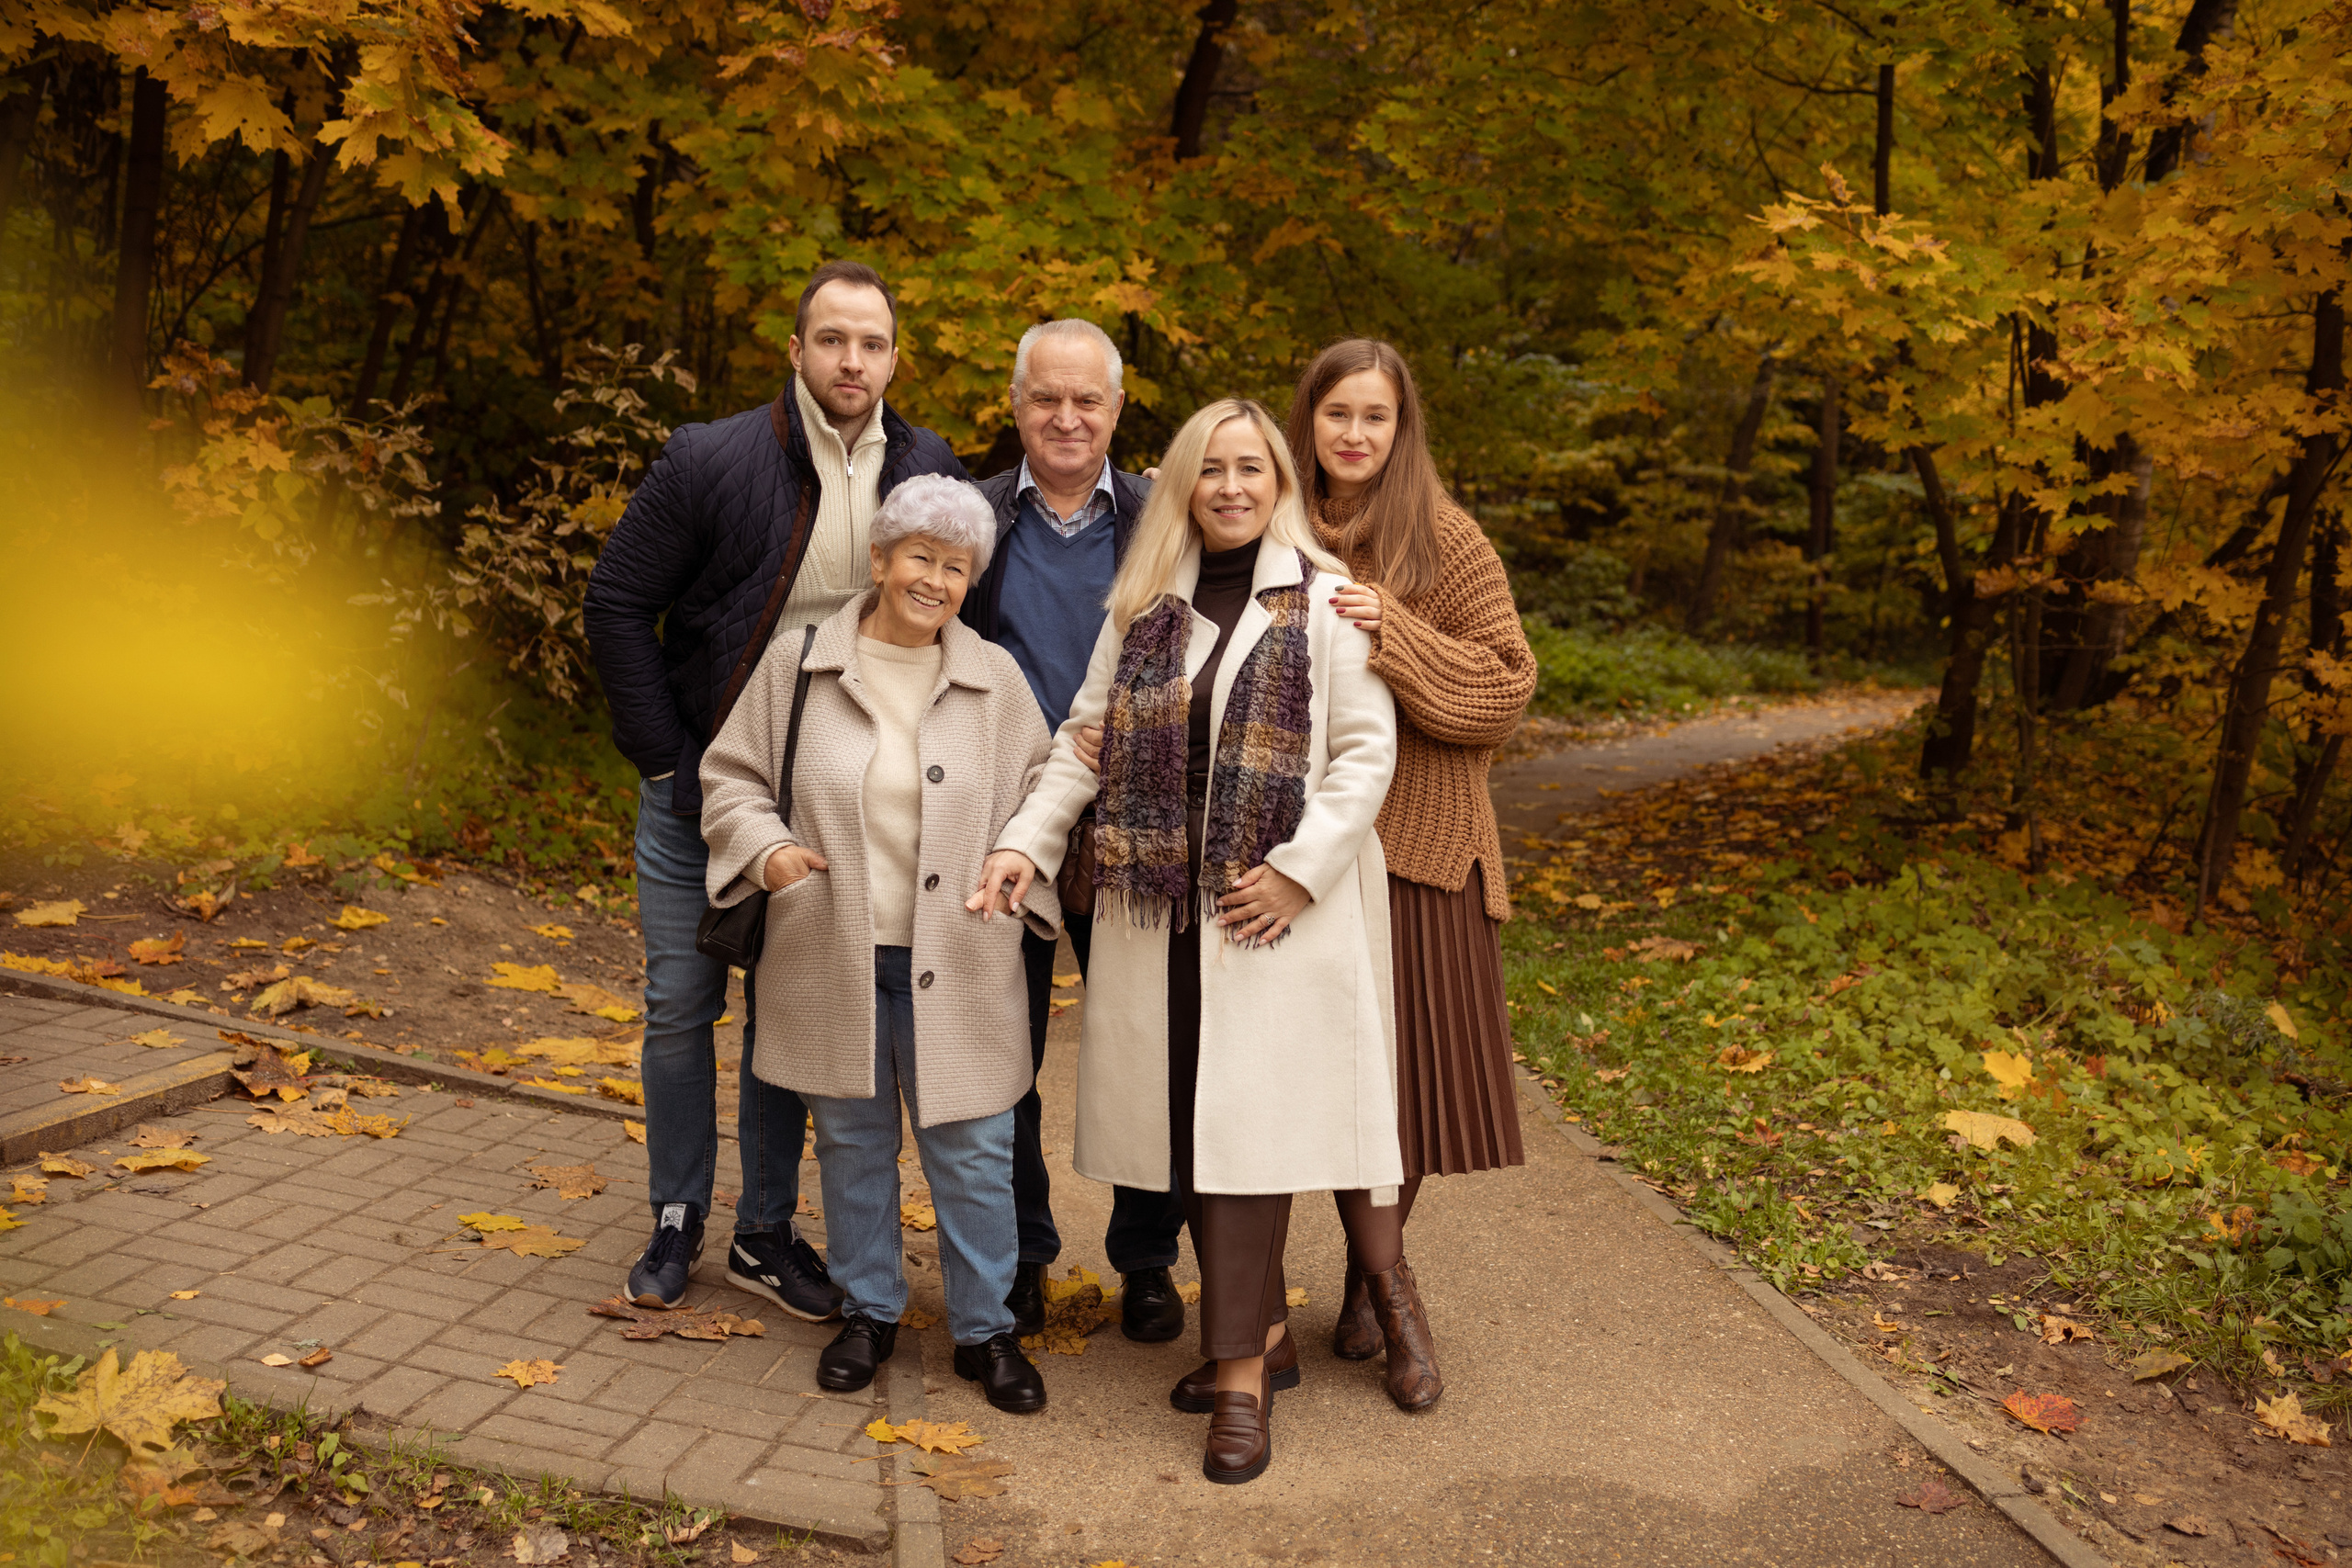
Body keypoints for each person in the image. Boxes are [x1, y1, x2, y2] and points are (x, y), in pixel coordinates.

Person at [978, 398, 1401, 1484]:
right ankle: (1258, 1338)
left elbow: (1362, 756)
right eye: (1209, 470)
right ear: (1180, 484)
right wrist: (1027, 842)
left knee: (1248, 1142)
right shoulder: (1144, 607)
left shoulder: (1324, 604)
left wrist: (1299, 872)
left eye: (1250, 470)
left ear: (1279, 484)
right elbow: (1083, 741)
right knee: (1189, 1137)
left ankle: (1241, 1387)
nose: (1229, 488)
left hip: (1267, 919)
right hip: (1163, 914)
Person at [583, 261, 967, 1316]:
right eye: (833, 339)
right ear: (795, 350)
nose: (853, 361)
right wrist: (668, 760)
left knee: (781, 1023)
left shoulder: (928, 470)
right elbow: (617, 604)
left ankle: (762, 1232)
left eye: (873, 344)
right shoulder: (711, 459)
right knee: (680, 1009)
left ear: (895, 357)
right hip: (698, 785)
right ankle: (674, 1219)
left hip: (830, 804)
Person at [699, 475, 1054, 1415]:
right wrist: (766, 849)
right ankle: (869, 1311)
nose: (934, 579)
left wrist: (1022, 853)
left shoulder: (997, 681)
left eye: (954, 565)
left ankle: (987, 1331)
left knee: (974, 1151)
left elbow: (1045, 795)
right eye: (919, 558)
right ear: (880, 560)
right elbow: (729, 776)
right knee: (852, 1145)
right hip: (830, 948)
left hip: (965, 953)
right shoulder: (798, 663)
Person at [1286, 339, 1537, 1412]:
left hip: (1423, 848)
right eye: (1336, 414)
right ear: (1308, 422)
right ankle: (1394, 1295)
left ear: (1402, 428)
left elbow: (1507, 689)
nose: (1353, 434)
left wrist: (1400, 634)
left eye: (1374, 417)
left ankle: (1372, 1284)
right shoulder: (1272, 524)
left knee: (1410, 1088)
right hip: (1303, 852)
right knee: (1343, 1077)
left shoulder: (1444, 537)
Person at [960, 317, 1188, 1346]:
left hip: (1131, 827)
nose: (1065, 417)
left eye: (1085, 400)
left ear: (1116, 408)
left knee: (1143, 1045)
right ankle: (1020, 1258)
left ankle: (1147, 1258)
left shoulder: (1163, 521)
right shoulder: (970, 518)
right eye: (1045, 399)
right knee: (1000, 1053)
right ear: (1016, 408)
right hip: (999, 820)